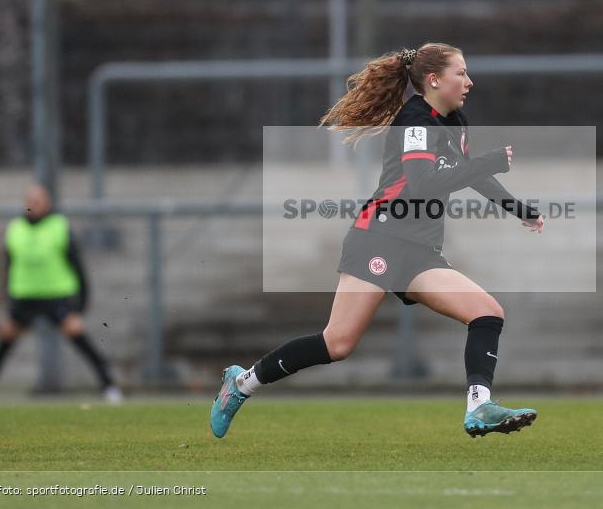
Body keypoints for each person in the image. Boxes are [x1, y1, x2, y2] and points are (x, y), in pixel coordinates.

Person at [211, 42, 545, 438]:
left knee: (487, 313)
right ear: (435, 80)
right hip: (380, 239)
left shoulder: (454, 121)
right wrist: (491, 161)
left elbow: (467, 173)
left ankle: (479, 407)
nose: (469, 82)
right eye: (461, 73)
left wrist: (518, 208)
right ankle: (243, 383)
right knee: (337, 344)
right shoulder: (416, 119)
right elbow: (422, 183)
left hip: (420, 252)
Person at [0, 184, 122, 403]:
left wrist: (79, 308)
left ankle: (110, 387)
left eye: (39, 200)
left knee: (80, 339)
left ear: (47, 202)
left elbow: (78, 268)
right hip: (24, 298)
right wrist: (10, 300)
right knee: (3, 342)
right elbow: (10, 267)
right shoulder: (15, 228)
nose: (34, 204)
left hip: (56, 296)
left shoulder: (58, 226)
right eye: (30, 200)